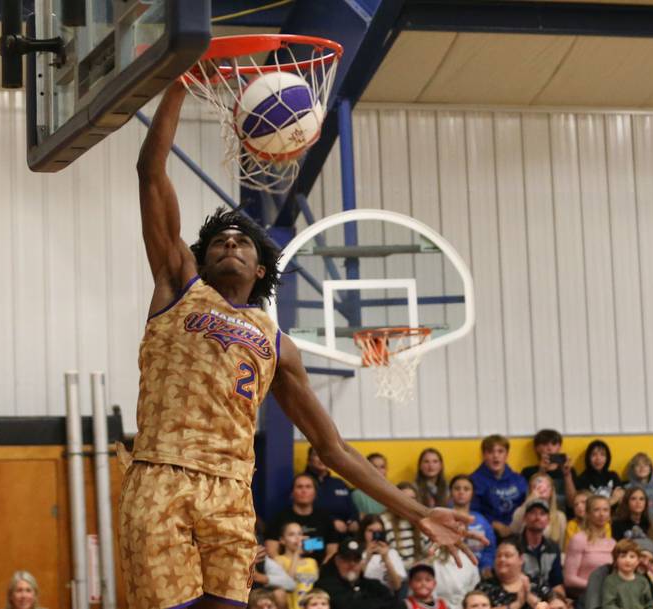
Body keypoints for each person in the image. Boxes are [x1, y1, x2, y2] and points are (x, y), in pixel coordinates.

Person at [120, 84, 480, 609]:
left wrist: (417, 511)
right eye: (220, 240)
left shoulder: (279, 346)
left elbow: (333, 450)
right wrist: (178, 83)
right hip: (161, 475)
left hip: (231, 492)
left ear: (261, 269)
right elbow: (151, 173)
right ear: (202, 257)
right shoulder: (180, 285)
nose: (230, 244)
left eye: (242, 241)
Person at [265, 474, 339, 565]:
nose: (304, 491)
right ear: (292, 493)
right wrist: (286, 571)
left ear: (315, 493)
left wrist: (322, 571)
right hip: (286, 572)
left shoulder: (325, 518)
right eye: (299, 487)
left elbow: (332, 551)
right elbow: (271, 551)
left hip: (321, 571)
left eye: (308, 487)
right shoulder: (280, 518)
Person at [315, 537, 402, 609]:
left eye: (356, 560)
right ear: (337, 561)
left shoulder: (373, 585)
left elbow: (397, 605)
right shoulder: (325, 587)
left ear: (361, 562)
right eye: (347, 559)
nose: (352, 564)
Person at [470, 434, 528, 539]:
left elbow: (526, 506)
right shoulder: (474, 481)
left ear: (506, 455)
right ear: (484, 455)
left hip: (517, 528)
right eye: (490, 452)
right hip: (488, 530)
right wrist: (494, 524)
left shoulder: (518, 479)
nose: (495, 456)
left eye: (500, 451)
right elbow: (473, 512)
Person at [511, 498, 567, 606]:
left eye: (542, 514)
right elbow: (509, 580)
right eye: (533, 513)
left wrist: (560, 601)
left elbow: (556, 583)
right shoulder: (513, 545)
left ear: (548, 520)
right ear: (524, 518)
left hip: (546, 597)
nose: (537, 517)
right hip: (519, 596)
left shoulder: (553, 548)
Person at [564, 495, 615, 600]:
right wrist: (596, 587)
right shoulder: (579, 540)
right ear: (588, 514)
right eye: (596, 510)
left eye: (605, 510)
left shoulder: (613, 543)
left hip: (608, 598)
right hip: (584, 598)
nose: (602, 514)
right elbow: (569, 579)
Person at [449, 474, 496, 578]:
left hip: (478, 572)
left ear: (472, 494)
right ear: (450, 492)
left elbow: (490, 548)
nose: (461, 492)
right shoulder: (444, 519)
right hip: (450, 572)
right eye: (457, 488)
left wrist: (486, 567)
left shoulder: (481, 521)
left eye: (466, 489)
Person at [305, 446, 359, 534]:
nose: (322, 458)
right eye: (316, 455)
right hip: (315, 537)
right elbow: (302, 511)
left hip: (343, 536)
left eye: (325, 455)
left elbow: (352, 508)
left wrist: (353, 520)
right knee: (310, 545)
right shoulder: (303, 483)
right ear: (309, 460)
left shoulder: (339, 483)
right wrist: (330, 522)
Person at [520, 429, 576, 512]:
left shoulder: (569, 470)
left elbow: (572, 503)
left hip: (564, 516)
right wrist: (541, 472)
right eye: (545, 444)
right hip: (537, 515)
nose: (549, 448)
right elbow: (529, 501)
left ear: (559, 447)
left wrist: (567, 475)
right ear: (536, 448)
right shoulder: (528, 472)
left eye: (553, 444)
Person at [509, 473, 567, 548]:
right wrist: (529, 501)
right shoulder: (521, 511)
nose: (541, 491)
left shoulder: (560, 517)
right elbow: (514, 530)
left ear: (551, 491)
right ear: (530, 491)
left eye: (545, 488)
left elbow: (561, 547)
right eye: (536, 487)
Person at [601, 538, 653, 609]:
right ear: (616, 560)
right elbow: (608, 605)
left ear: (638, 561)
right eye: (623, 556)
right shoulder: (610, 581)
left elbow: (650, 604)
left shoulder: (643, 581)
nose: (628, 560)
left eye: (632, 557)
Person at [474, 538, 530, 609]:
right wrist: (517, 604)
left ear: (521, 559)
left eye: (508, 555)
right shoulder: (485, 587)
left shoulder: (535, 583)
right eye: (498, 556)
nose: (502, 559)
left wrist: (529, 597)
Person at [274, 522, 319, 609]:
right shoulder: (279, 560)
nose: (297, 538)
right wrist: (297, 553)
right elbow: (288, 584)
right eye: (291, 534)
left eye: (300, 534)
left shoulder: (312, 561)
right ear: (282, 540)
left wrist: (310, 545)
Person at [383, 482, 429, 568]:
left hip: (419, 573)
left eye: (412, 498)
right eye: (404, 498)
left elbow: (431, 553)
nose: (409, 502)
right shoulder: (384, 521)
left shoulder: (422, 522)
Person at [360, 514, 407, 593]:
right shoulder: (357, 553)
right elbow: (354, 580)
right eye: (370, 531)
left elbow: (397, 586)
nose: (374, 535)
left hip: (388, 598)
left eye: (378, 531)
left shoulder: (392, 553)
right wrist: (367, 558)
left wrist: (386, 559)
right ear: (363, 532)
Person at [574, 439, 625, 506]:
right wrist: (612, 500)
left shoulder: (613, 475)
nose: (598, 458)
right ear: (588, 458)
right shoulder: (583, 478)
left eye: (602, 454)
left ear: (607, 458)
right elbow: (591, 503)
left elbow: (621, 493)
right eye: (594, 455)